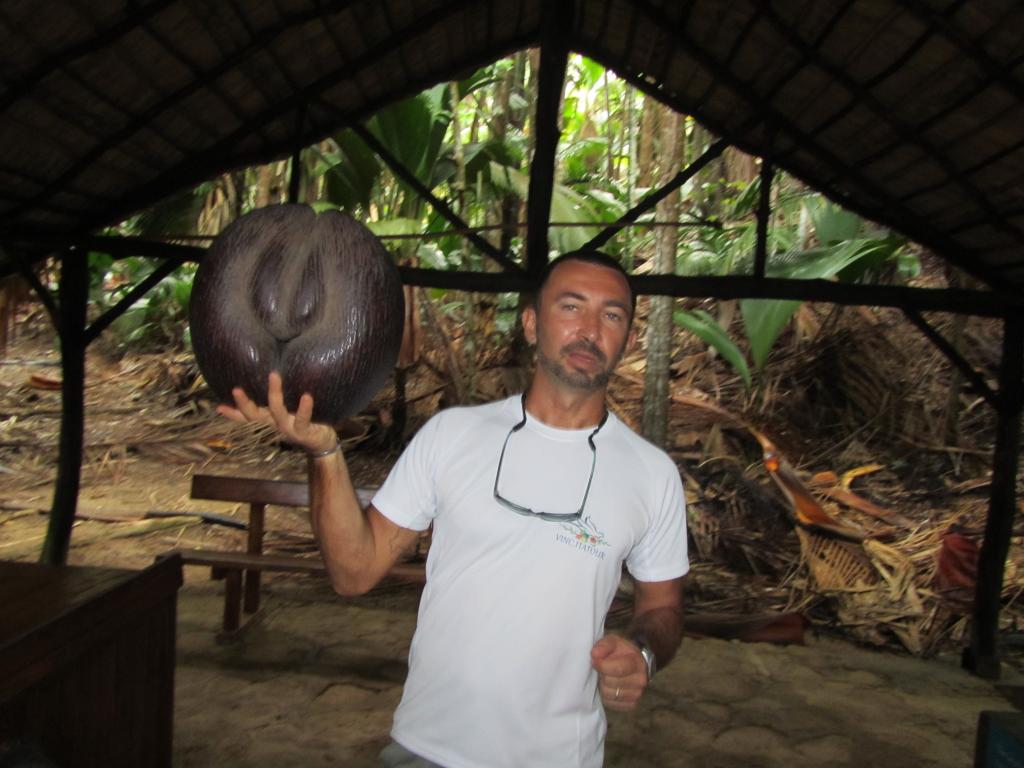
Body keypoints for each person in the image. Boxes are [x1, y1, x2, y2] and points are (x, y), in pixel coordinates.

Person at [220, 250, 689, 768]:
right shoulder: (453, 435)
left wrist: (642, 652)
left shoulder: (652, 474)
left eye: (613, 315)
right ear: (532, 324)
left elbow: (663, 608)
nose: (591, 329)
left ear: (626, 338)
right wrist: (325, 451)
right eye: (571, 307)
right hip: (426, 748)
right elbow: (353, 572)